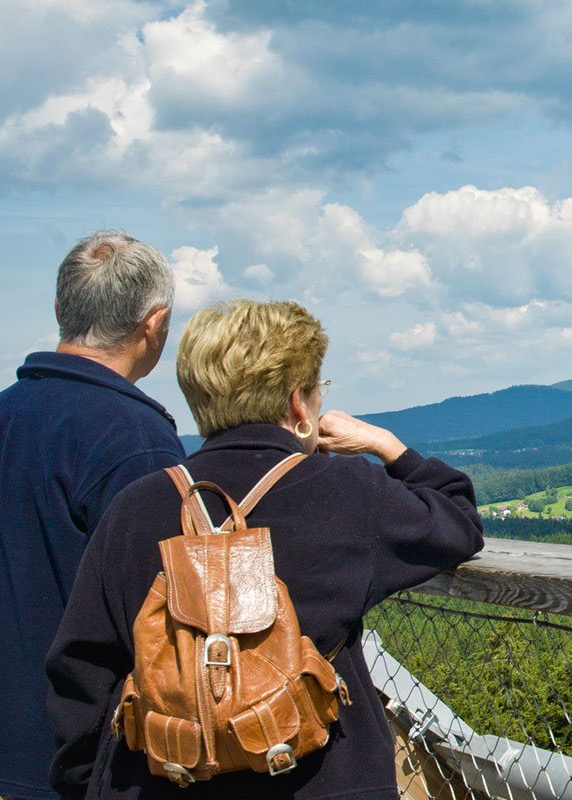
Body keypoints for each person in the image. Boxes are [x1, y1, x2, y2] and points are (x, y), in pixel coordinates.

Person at [45, 300, 484, 799]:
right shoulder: (345, 492)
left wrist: (90, 781)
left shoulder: (133, 508)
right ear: (299, 402)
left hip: (164, 776)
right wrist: (385, 445)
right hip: (321, 780)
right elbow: (459, 522)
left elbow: (80, 670)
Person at [0, 232, 184, 800]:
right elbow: (167, 615)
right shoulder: (136, 438)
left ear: (60, 310)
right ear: (154, 325)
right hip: (73, 761)